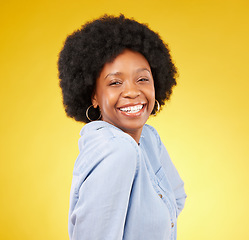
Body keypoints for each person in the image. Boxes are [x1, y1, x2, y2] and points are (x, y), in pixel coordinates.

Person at [58, 14, 187, 240]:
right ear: (94, 95)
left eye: (143, 79)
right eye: (115, 82)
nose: (131, 92)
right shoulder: (117, 150)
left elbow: (176, 197)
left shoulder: (148, 138)